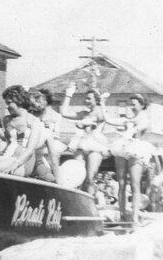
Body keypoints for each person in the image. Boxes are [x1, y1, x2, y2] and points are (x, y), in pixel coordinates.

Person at [106, 93, 156, 222]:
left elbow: (140, 127)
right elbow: (108, 119)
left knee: (135, 184)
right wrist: (102, 102)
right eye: (130, 104)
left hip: (136, 149)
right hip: (123, 148)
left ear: (142, 105)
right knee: (121, 183)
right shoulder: (128, 119)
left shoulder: (144, 119)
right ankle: (122, 215)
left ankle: (134, 217)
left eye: (134, 104)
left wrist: (130, 130)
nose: (131, 107)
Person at [61, 83, 110, 194]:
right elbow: (63, 113)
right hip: (82, 144)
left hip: (95, 146)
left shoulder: (101, 113)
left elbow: (105, 117)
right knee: (78, 176)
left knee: (90, 178)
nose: (86, 101)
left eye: (89, 99)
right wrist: (68, 95)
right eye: (85, 99)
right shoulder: (83, 114)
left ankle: (89, 201)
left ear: (96, 100)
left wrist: (102, 102)